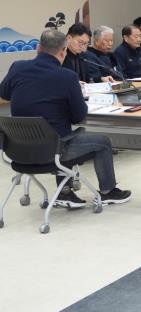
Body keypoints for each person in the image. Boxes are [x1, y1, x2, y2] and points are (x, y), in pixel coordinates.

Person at [0, 30, 131, 207]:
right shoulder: (68, 77)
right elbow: (78, 116)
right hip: (52, 152)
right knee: (101, 142)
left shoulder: (17, 67)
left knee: (61, 134)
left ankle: (65, 193)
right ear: (63, 52)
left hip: (17, 152)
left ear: (38, 48)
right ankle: (108, 192)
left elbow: (4, 93)